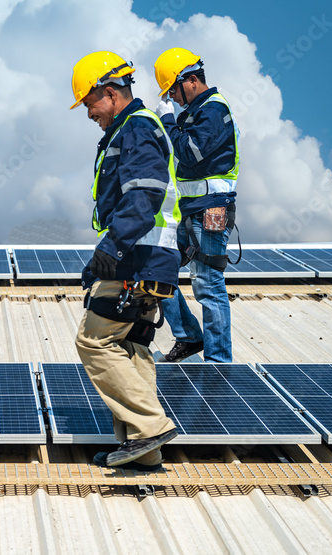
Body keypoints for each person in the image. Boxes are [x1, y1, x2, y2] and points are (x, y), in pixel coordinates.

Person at [69, 51, 181, 470]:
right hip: (152, 258)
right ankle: (144, 448)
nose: (88, 114)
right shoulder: (136, 128)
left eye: (89, 103)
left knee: (95, 340)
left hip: (137, 255)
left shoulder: (134, 129)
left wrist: (113, 248)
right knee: (130, 346)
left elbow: (143, 193)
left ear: (110, 93)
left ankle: (150, 427)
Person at [152, 48, 240, 364]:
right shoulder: (193, 113)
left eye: (173, 89)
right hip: (191, 211)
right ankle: (190, 337)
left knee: (206, 280)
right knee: (156, 268)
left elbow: (190, 153)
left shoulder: (214, 111)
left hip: (213, 210)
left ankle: (218, 362)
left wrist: (167, 120)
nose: (172, 97)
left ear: (191, 80)